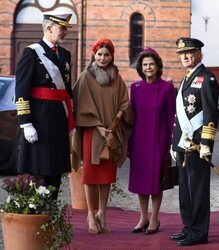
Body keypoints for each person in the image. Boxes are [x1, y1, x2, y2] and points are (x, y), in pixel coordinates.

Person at [72, 38, 133, 234]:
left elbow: (125, 103)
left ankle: (102, 213)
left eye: (106, 54)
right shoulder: (85, 76)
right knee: (90, 175)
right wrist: (98, 127)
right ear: (94, 55)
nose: (103, 58)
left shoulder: (117, 77)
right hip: (92, 132)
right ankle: (90, 214)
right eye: (99, 54)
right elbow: (80, 105)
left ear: (111, 56)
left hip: (112, 134)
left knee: (107, 176)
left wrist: (114, 124)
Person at [15, 10, 75, 200]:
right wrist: (26, 123)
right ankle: (37, 217)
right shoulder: (31, 53)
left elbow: (66, 90)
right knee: (40, 170)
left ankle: (50, 214)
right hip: (39, 120)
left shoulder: (65, 54)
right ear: (48, 27)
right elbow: (21, 90)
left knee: (56, 170)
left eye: (66, 29)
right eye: (61, 28)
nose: (65, 32)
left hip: (58, 119)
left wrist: (71, 117)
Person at [169, 37, 219, 246]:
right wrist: (174, 144)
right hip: (183, 143)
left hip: (198, 145)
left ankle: (199, 232)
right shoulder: (185, 79)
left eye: (189, 52)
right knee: (185, 189)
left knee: (197, 189)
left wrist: (207, 143)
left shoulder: (207, 78)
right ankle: (188, 227)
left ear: (200, 54)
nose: (185, 57)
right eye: (182, 54)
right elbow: (178, 115)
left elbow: (211, 113)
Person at [128, 47, 175, 235]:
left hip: (159, 139)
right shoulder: (135, 88)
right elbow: (132, 116)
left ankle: (155, 218)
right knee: (140, 181)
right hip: (139, 139)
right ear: (141, 67)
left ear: (157, 66)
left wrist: (172, 142)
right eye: (145, 64)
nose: (148, 67)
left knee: (156, 181)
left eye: (151, 64)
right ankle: (142, 217)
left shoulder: (167, 87)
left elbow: (172, 115)